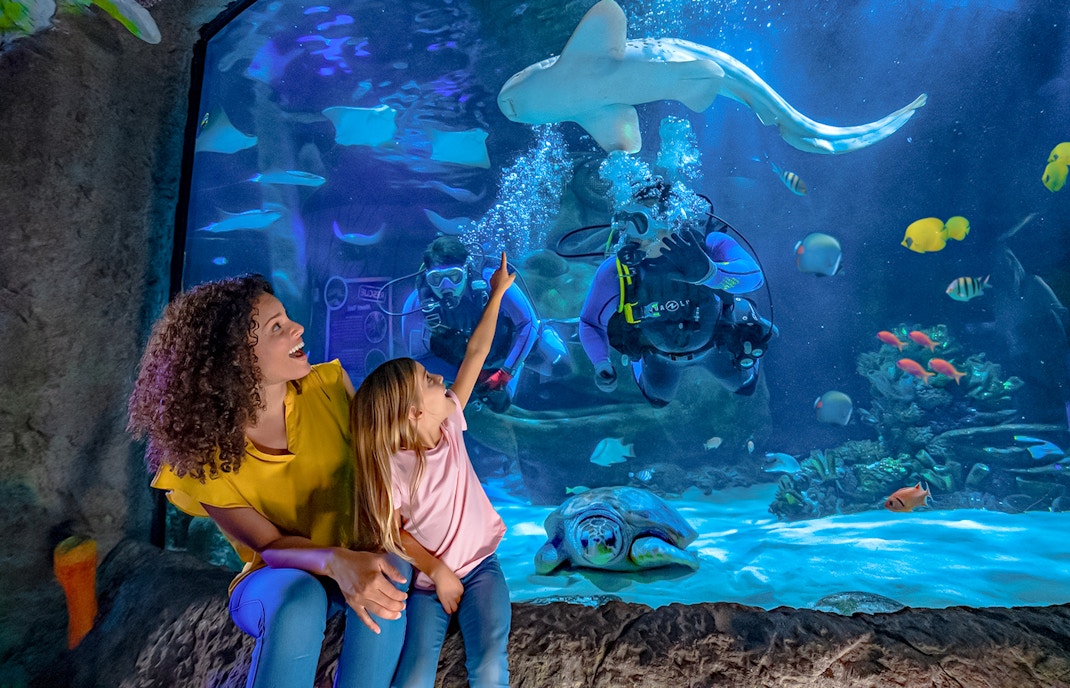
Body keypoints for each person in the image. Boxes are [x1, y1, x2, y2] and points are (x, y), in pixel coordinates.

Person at [127, 275, 410, 688]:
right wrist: (336, 562)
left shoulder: (331, 386)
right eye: (276, 327)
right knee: (300, 600)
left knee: (393, 569)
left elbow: (388, 479)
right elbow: (271, 546)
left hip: (355, 558)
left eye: (287, 318)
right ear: (233, 357)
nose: (297, 328)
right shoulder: (203, 456)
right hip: (278, 577)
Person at [351, 252, 515, 688]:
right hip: (425, 583)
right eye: (428, 380)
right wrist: (438, 572)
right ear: (411, 414)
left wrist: (497, 293)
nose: (441, 380)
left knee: (490, 665)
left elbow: (476, 353)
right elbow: (393, 530)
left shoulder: (450, 423)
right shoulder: (392, 464)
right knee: (416, 676)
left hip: (482, 567)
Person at [579, 177, 774, 406]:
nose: (632, 233)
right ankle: (640, 365)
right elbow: (590, 322)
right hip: (658, 356)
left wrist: (712, 273)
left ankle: (741, 312)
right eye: (627, 221)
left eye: (641, 220)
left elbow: (754, 278)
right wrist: (601, 362)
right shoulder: (618, 271)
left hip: (716, 344)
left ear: (669, 219)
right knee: (657, 399)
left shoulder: (709, 245)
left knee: (745, 387)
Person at [400, 236, 568, 412]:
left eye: (454, 276)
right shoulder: (416, 305)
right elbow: (420, 359)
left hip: (511, 344)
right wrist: (474, 378)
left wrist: (506, 372)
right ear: (427, 277)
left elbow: (527, 323)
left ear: (466, 270)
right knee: (499, 406)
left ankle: (552, 331)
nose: (446, 286)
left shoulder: (491, 279)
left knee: (563, 367)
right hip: (470, 362)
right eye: (437, 279)